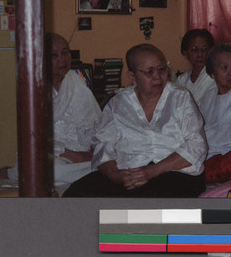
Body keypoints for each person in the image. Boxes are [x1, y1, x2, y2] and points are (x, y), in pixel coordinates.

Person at [63, 43, 207, 197]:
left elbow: (196, 145)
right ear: (132, 77)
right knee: (75, 194)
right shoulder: (117, 104)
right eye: (149, 72)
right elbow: (103, 145)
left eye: (161, 69)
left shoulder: (180, 98)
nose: (157, 76)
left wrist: (151, 171)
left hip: (175, 172)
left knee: (144, 200)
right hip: (131, 170)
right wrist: (115, 175)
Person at [0, 33, 102, 194]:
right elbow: (34, 137)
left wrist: (95, 149)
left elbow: (97, 123)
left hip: (84, 157)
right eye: (54, 55)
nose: (62, 59)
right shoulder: (35, 87)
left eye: (65, 52)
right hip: (53, 155)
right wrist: (73, 155)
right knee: (49, 170)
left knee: (113, 162)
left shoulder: (77, 83)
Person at [176, 29, 216, 105]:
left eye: (204, 49)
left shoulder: (214, 78)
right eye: (194, 50)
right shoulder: (182, 80)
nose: (200, 54)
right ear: (185, 53)